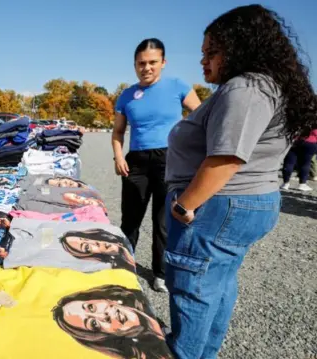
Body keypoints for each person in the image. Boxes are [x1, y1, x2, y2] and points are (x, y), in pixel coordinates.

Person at [164, 5, 317, 358]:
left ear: (240, 47)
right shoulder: (266, 85)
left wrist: (184, 204)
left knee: (193, 287)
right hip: (245, 200)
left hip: (220, 203)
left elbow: (226, 158)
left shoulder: (245, 88)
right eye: (204, 53)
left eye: (212, 53)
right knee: (215, 284)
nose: (204, 62)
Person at [111, 38, 201, 293]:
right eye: (141, 63)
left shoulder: (177, 86)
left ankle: (160, 273)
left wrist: (189, 152)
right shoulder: (127, 95)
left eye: (152, 62)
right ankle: (123, 266)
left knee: (162, 220)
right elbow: (118, 132)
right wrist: (118, 157)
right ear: (134, 64)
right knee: (130, 218)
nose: (146, 68)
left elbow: (201, 119)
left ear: (163, 62)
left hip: (169, 160)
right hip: (135, 163)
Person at [52, 285, 172, 359]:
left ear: (102, 298)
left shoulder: (136, 297)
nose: (104, 316)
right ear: (101, 336)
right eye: (94, 324)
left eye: (91, 308)